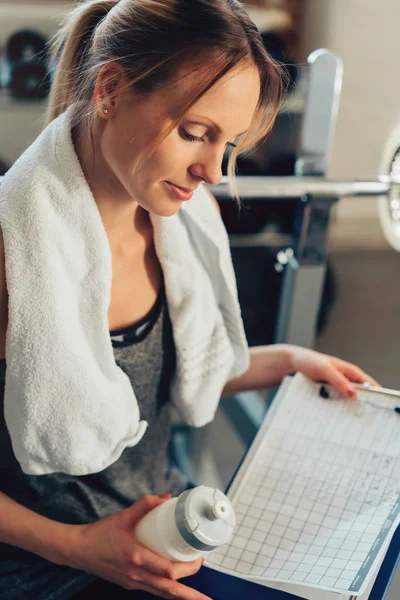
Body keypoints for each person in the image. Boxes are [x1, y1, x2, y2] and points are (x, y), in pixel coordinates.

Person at [0, 0, 378, 599]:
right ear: (111, 90)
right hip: (48, 560)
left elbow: (169, 378)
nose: (214, 173)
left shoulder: (175, 224)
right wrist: (82, 548)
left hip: (158, 526)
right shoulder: (13, 250)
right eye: (195, 133)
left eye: (228, 145)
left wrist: (285, 360)